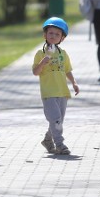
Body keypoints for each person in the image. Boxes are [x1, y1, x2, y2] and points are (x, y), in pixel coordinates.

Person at [32, 17, 79, 155]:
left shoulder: (63, 54)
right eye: (50, 33)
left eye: (57, 34)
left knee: (57, 120)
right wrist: (43, 62)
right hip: (49, 93)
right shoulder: (40, 53)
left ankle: (48, 140)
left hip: (62, 92)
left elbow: (67, 70)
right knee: (56, 120)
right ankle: (60, 144)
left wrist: (74, 83)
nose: (53, 36)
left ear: (62, 38)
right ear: (44, 35)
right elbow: (35, 72)